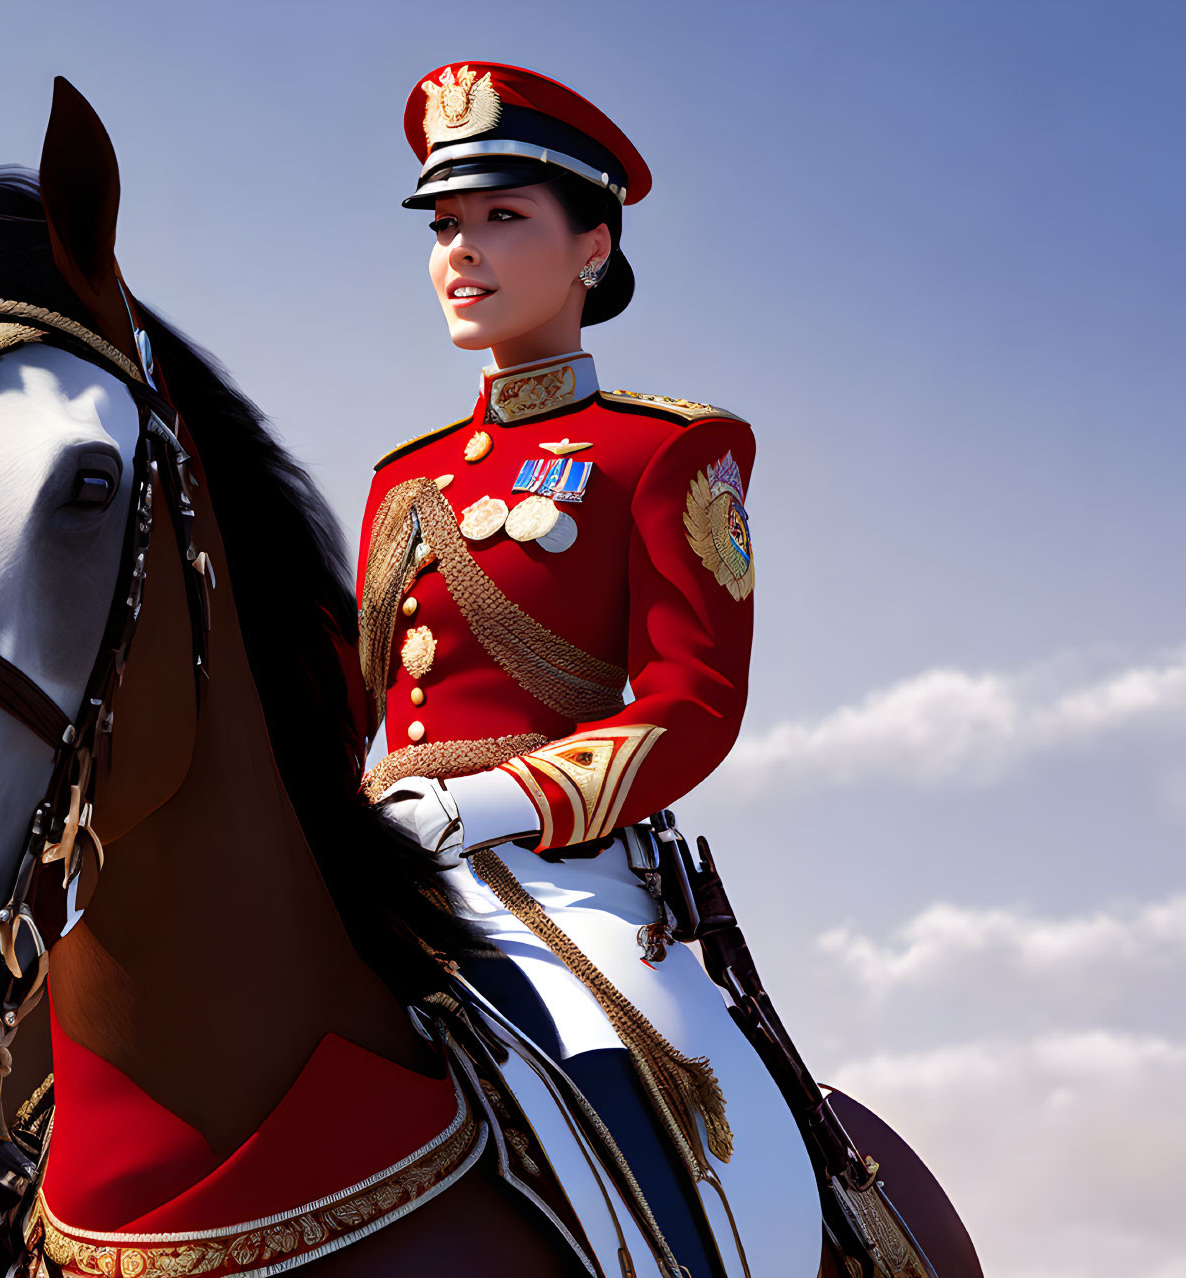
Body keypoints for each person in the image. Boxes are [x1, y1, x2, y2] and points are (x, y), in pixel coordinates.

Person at [357, 62, 823, 1278]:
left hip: (563, 881)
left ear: (592, 247)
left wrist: (480, 805)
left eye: (502, 218)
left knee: (682, 1117)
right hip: (370, 853)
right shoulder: (398, 479)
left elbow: (692, 707)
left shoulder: (668, 451)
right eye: (447, 225)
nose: (461, 252)